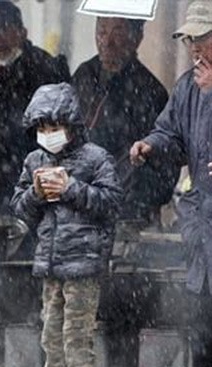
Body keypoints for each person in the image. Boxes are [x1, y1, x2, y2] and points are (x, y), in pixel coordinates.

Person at [12, 83, 122, 367]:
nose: (48, 134)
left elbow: (111, 203)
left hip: (83, 265)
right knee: (51, 338)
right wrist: (36, 193)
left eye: (54, 126)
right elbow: (19, 209)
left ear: (72, 125)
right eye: (42, 128)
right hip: (50, 264)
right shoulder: (34, 161)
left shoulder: (96, 158)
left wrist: (70, 189)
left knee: (77, 338)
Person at [129, 0, 212, 367]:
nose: (194, 47)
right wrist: (151, 145)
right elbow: (172, 133)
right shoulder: (187, 87)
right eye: (189, 39)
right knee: (201, 318)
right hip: (202, 225)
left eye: (203, 38)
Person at [72, 16, 179, 225]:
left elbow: (165, 162)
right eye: (102, 31)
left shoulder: (150, 91)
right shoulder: (84, 76)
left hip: (127, 214)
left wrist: (134, 201)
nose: (107, 42)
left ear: (137, 37)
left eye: (118, 32)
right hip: (80, 205)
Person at [0, 0, 70, 218]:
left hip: (43, 190)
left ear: (22, 31)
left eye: (4, 29)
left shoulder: (46, 68)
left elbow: (60, 138)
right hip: (7, 189)